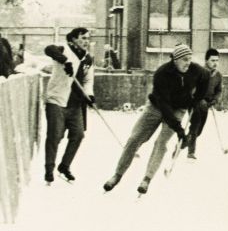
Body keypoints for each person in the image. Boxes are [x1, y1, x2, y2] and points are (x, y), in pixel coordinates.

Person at [103, 44, 207, 194]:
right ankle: (117, 175)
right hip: (156, 107)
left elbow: (205, 78)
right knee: (135, 138)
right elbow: (164, 106)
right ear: (175, 60)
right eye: (185, 60)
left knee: (161, 143)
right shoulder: (162, 73)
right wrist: (179, 129)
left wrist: (196, 99)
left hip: (179, 109)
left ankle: (147, 179)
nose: (188, 63)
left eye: (190, 59)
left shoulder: (196, 70)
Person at [42, 28, 95, 183]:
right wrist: (64, 60)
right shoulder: (64, 49)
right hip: (57, 100)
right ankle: (49, 169)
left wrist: (89, 95)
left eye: (88, 38)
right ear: (73, 39)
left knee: (78, 135)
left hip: (75, 104)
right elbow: (49, 49)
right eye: (83, 38)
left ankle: (64, 166)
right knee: (55, 136)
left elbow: (87, 80)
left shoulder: (88, 59)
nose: (86, 41)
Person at [187, 48, 223, 159]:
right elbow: (191, 88)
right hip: (195, 102)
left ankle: (181, 143)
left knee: (198, 131)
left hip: (206, 105)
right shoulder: (199, 72)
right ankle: (191, 153)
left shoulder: (218, 76)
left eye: (217, 60)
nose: (215, 63)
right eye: (212, 60)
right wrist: (199, 98)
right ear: (206, 60)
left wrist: (215, 99)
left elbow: (218, 90)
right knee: (195, 127)